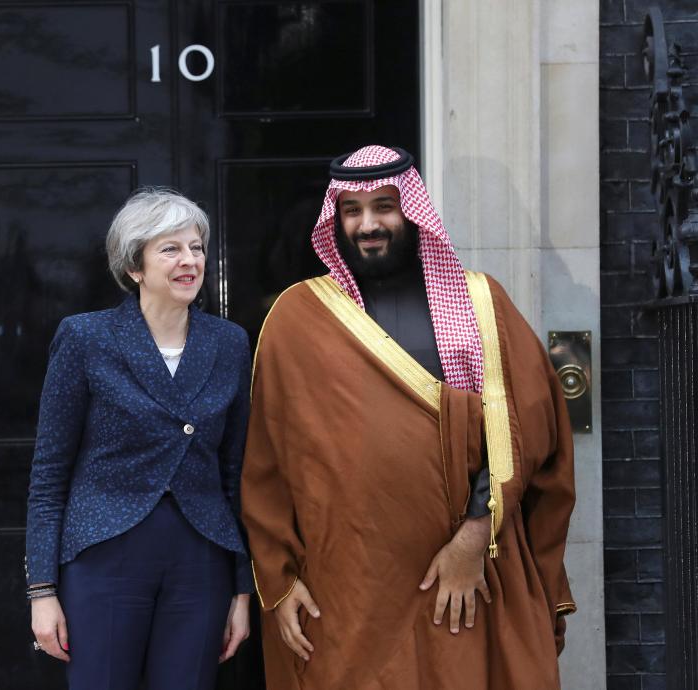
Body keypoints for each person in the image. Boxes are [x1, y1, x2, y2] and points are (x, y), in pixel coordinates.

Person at [241, 145, 576, 688]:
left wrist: (471, 542)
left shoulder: (480, 304)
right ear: (335, 219)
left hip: (467, 580)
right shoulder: (296, 318)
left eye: (385, 206)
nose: (368, 224)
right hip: (347, 589)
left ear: (413, 211)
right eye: (352, 210)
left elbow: (524, 428)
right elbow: (268, 463)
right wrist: (278, 580)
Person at [25, 188, 254, 690]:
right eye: (170, 249)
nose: (189, 260)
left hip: (201, 560)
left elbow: (234, 472)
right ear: (135, 266)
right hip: (104, 557)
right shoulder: (86, 338)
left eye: (195, 247)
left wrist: (241, 589)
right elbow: (48, 473)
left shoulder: (229, 343)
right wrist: (42, 590)